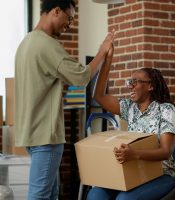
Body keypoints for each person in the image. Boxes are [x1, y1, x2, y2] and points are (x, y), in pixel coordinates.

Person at [14, 0, 115, 199]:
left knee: (51, 194)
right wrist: (102, 51)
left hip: (32, 134)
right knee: (40, 195)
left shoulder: (26, 42)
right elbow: (82, 77)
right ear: (56, 10)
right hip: (46, 136)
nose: (68, 25)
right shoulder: (46, 45)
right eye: (68, 19)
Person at [86, 45, 175, 200]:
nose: (130, 85)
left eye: (135, 82)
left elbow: (166, 151)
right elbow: (99, 96)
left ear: (151, 86)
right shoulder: (130, 108)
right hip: (135, 173)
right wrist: (108, 59)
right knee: (95, 194)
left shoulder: (166, 109)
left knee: (124, 199)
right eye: (130, 81)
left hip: (164, 174)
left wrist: (134, 154)